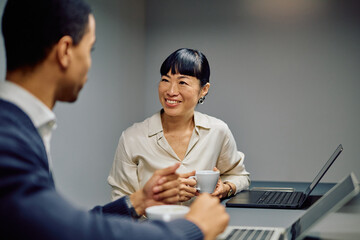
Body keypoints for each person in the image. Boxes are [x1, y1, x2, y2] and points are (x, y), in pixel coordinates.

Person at [0, 0, 229, 239]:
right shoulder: (8, 138)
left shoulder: (18, 127)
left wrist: (138, 201)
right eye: (90, 50)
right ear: (65, 51)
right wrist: (194, 228)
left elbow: (49, 222)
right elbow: (68, 232)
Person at [108, 48, 250, 203]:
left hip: (203, 226)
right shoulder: (132, 138)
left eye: (182, 82)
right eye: (165, 80)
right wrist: (159, 198)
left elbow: (239, 176)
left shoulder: (218, 131)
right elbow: (120, 203)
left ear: (203, 90)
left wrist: (225, 189)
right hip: (150, 226)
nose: (171, 91)